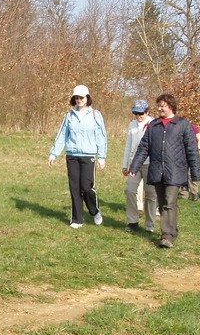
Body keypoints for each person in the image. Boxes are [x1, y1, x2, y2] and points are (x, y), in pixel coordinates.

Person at [129, 93, 200, 249]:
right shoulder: (153, 125)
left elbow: (192, 150)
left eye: (163, 105)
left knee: (169, 202)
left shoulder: (183, 124)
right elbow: (144, 147)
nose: (160, 108)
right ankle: (172, 230)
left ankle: (167, 236)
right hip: (157, 170)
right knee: (162, 204)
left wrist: (195, 173)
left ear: (171, 107)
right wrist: (134, 166)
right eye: (159, 105)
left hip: (175, 171)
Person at [48, 85, 108, 228]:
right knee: (75, 188)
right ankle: (77, 219)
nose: (79, 100)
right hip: (72, 156)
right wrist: (54, 153)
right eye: (76, 98)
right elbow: (62, 134)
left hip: (89, 156)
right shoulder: (69, 115)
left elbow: (101, 136)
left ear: (87, 98)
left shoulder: (95, 115)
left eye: (81, 97)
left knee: (86, 187)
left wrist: (102, 156)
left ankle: (94, 211)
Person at [121, 99, 156, 233]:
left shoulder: (154, 124)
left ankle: (149, 225)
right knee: (130, 190)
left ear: (148, 112)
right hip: (134, 164)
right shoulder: (132, 125)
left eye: (141, 113)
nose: (138, 116)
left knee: (151, 194)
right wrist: (125, 164)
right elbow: (128, 145)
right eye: (136, 113)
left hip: (149, 163)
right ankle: (132, 221)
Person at [179, 122, 200, 200]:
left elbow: (199, 139)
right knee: (182, 173)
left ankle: (194, 192)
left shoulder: (193, 128)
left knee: (191, 174)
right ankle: (184, 193)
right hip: (182, 154)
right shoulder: (179, 128)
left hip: (192, 153)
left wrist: (198, 149)